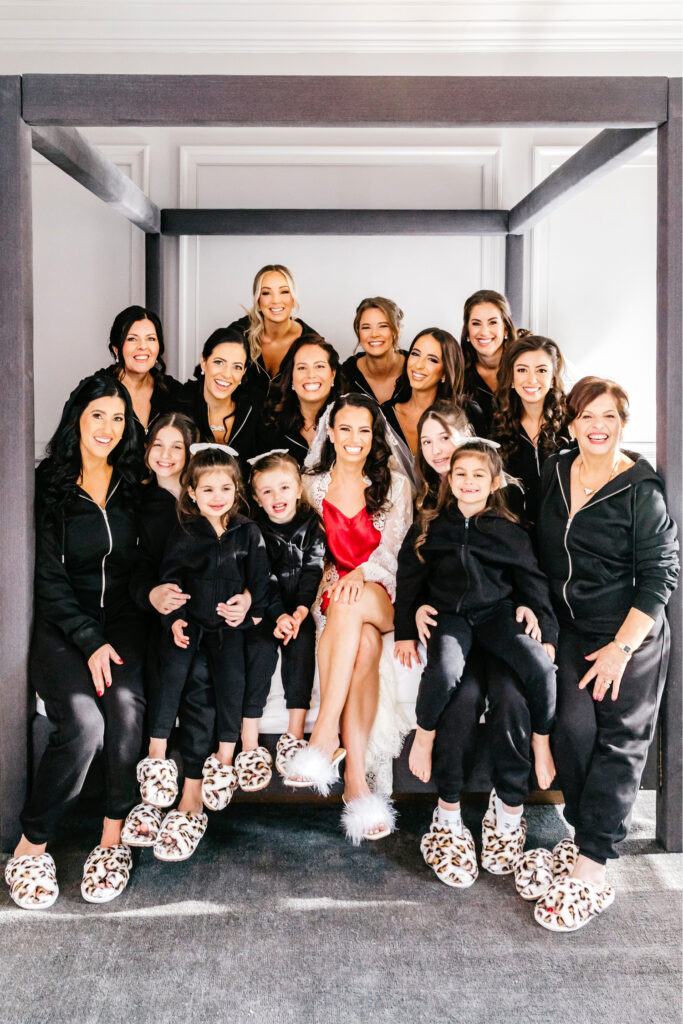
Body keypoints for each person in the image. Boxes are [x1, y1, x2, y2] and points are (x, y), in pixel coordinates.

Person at [526, 377, 679, 932]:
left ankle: (592, 868)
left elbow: (661, 576)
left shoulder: (642, 489)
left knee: (618, 742)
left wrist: (620, 648)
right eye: (587, 415)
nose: (598, 425)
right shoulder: (554, 473)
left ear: (622, 423)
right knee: (570, 729)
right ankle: (585, 835)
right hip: (571, 628)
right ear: (570, 423)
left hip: (628, 633)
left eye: (609, 416)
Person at [5, 373, 145, 909]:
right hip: (63, 629)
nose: (107, 428)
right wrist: (87, 639)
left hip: (124, 627)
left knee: (127, 708)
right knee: (85, 723)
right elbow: (45, 574)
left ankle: (112, 841)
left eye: (117, 417)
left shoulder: (136, 486)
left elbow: (148, 567)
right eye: (96, 416)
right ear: (77, 420)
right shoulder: (48, 485)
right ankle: (31, 845)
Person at [394, 441, 559, 884]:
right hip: (452, 617)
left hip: (497, 617)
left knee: (536, 674)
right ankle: (427, 743)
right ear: (449, 478)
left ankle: (536, 749)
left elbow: (533, 581)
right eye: (460, 473)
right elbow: (408, 577)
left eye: (478, 475)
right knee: (448, 677)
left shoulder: (508, 529)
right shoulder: (431, 524)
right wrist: (408, 625)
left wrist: (544, 627)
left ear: (495, 482)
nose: (467, 482)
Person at [283, 394, 413, 843]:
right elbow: (304, 552)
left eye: (364, 430)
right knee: (361, 644)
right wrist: (338, 580)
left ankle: (322, 735)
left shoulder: (394, 484)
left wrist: (358, 574)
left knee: (352, 601)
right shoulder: (310, 485)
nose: (354, 439)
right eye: (345, 429)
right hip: (332, 595)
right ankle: (356, 781)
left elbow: (395, 554)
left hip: (381, 591)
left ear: (375, 436)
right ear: (330, 433)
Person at [137, 446, 270, 862]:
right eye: (207, 488)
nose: (217, 495)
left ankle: (224, 759)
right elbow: (169, 581)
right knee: (175, 674)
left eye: (225, 488)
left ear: (237, 490)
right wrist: (172, 621)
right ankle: (156, 757)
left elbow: (261, 585)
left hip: (229, 629)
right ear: (191, 491)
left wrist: (247, 604)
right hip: (189, 625)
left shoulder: (248, 531)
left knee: (233, 683)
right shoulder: (185, 530)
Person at [245, 450, 326, 775]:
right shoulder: (254, 530)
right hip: (267, 606)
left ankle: (294, 734)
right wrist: (278, 614)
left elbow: (313, 569)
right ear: (256, 497)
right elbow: (264, 577)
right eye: (267, 491)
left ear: (297, 488)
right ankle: (248, 739)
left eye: (283, 488)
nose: (276, 497)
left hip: (301, 609)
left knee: (302, 645)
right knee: (260, 648)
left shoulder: (312, 525)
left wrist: (301, 612)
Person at [492, 334, 570, 530]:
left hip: (566, 536)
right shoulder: (497, 427)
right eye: (522, 370)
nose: (531, 379)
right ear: (511, 376)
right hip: (516, 537)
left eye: (541, 370)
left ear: (553, 377)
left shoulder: (572, 423)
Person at [383, 327, 486, 457]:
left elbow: (484, 465)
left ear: (445, 373)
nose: (418, 365)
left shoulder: (468, 412)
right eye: (415, 354)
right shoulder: (384, 415)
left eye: (432, 360)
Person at [228, 264, 318, 397]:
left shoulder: (312, 342)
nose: (276, 300)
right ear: (258, 300)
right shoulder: (239, 333)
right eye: (266, 293)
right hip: (242, 416)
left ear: (293, 298)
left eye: (284, 291)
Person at [104, 305, 184, 447]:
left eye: (151, 339)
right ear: (116, 349)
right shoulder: (96, 391)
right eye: (132, 339)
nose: (143, 346)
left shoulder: (174, 392)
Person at [180, 327, 259, 471]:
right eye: (219, 362)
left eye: (237, 367)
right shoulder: (180, 407)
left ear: (244, 372)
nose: (227, 375)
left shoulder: (254, 413)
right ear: (204, 362)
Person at [263, 334, 344, 466]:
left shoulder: (349, 419)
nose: (311, 375)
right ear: (291, 377)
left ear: (332, 375)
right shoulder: (271, 425)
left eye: (319, 366)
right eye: (301, 368)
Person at [460, 290, 517, 433]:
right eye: (476, 323)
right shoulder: (458, 373)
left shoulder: (525, 366)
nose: (484, 332)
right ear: (467, 331)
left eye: (492, 322)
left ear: (505, 329)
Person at [341, 296, 407, 405]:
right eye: (366, 327)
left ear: (397, 330)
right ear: (358, 332)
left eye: (383, 326)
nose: (374, 334)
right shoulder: (346, 374)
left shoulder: (413, 369)